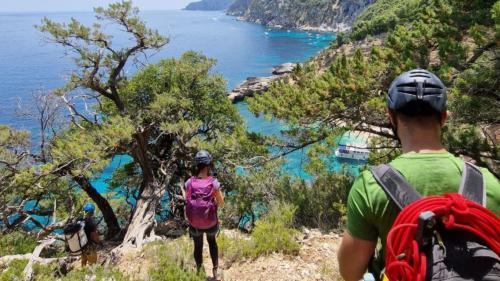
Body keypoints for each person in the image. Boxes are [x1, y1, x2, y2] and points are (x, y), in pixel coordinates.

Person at [337, 69, 500, 281]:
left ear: (391, 117)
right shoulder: (488, 183)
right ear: (443, 117)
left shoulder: (371, 185)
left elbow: (350, 272)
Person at [185, 150, 224, 280]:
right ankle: (215, 272)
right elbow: (221, 202)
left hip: (195, 224)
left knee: (198, 245)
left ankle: (200, 273)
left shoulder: (189, 182)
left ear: (197, 164)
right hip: (211, 223)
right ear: (209, 164)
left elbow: (187, 199)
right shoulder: (213, 182)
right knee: (212, 242)